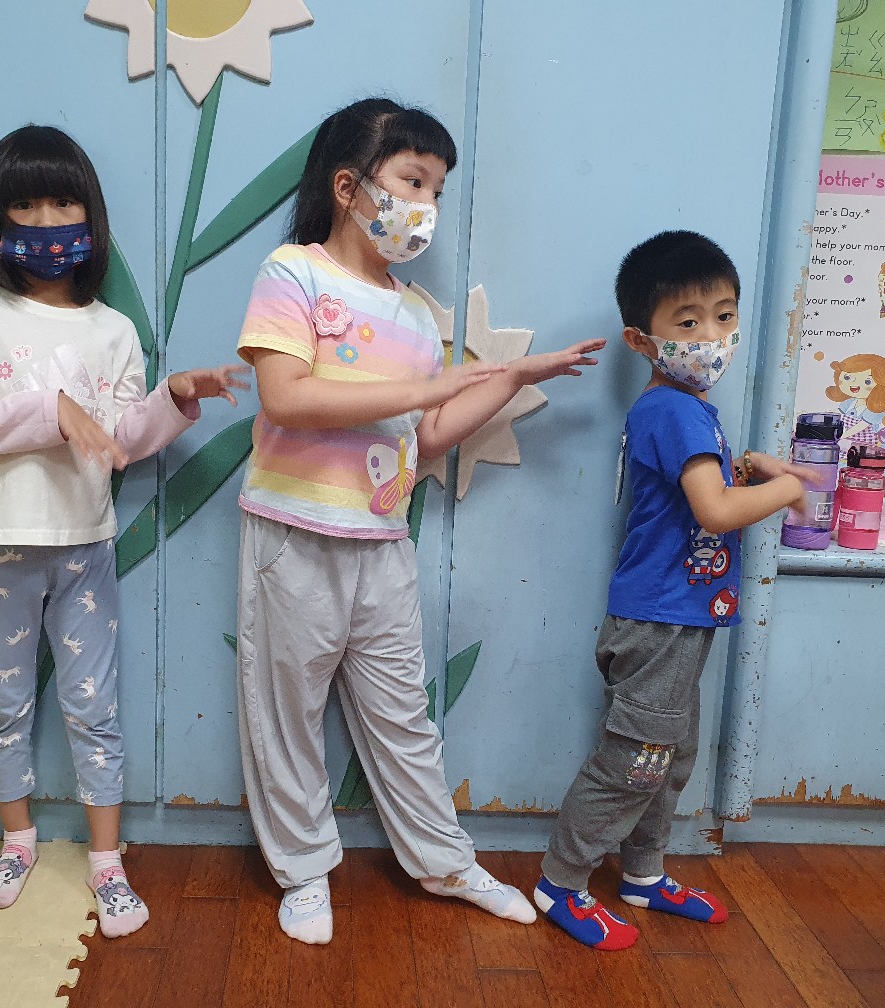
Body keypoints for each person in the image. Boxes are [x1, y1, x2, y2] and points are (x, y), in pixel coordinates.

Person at [234, 97, 606, 945]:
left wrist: (508, 379)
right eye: (412, 181)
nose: (426, 205)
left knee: (404, 716)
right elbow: (286, 397)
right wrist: (428, 387)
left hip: (382, 543)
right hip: (292, 534)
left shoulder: (413, 314)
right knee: (285, 714)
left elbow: (426, 435)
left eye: (437, 189)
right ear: (349, 187)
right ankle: (303, 870)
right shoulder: (292, 273)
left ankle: (443, 861)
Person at [0, 124, 248, 937]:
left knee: (92, 706)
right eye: (25, 205)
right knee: (4, 702)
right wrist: (51, 410)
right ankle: (18, 843)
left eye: (63, 203)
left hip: (84, 544)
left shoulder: (112, 331)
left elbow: (122, 442)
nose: (45, 221)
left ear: (90, 216)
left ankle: (107, 861)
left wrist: (175, 396)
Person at [533, 230, 811, 950]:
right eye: (688, 322)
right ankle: (560, 881)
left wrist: (747, 468)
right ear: (642, 340)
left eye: (724, 315)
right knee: (633, 762)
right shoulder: (676, 410)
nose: (712, 336)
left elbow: (701, 492)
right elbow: (713, 511)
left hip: (679, 617)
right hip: (658, 623)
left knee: (669, 756)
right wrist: (785, 489)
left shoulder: (685, 407)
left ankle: (643, 874)